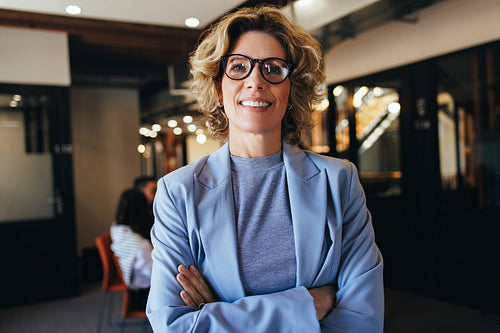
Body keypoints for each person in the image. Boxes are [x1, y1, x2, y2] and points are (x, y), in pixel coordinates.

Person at [147, 5, 384, 332]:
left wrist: (221, 314)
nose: (256, 81)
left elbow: (363, 319)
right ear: (218, 88)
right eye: (239, 67)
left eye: (273, 68)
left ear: (291, 88)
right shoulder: (178, 192)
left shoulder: (338, 181)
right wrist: (310, 305)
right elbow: (172, 325)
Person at [110, 188, 154, 308]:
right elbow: (156, 275)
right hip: (145, 295)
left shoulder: (116, 229)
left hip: (134, 289)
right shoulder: (141, 245)